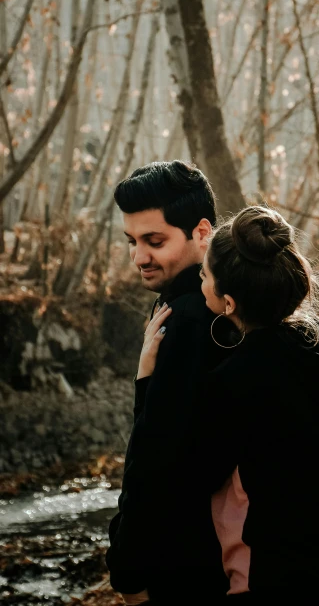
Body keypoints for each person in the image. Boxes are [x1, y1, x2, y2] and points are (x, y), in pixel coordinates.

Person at [195, 205, 319, 604]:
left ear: (229, 302)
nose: (200, 282)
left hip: (291, 581)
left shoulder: (234, 380)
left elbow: (198, 472)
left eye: (204, 275)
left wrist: (148, 382)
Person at [106, 160, 233, 605]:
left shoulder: (189, 322)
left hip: (188, 568)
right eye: (131, 242)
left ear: (201, 233)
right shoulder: (219, 307)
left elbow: (157, 460)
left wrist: (127, 568)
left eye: (153, 241)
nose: (139, 257)